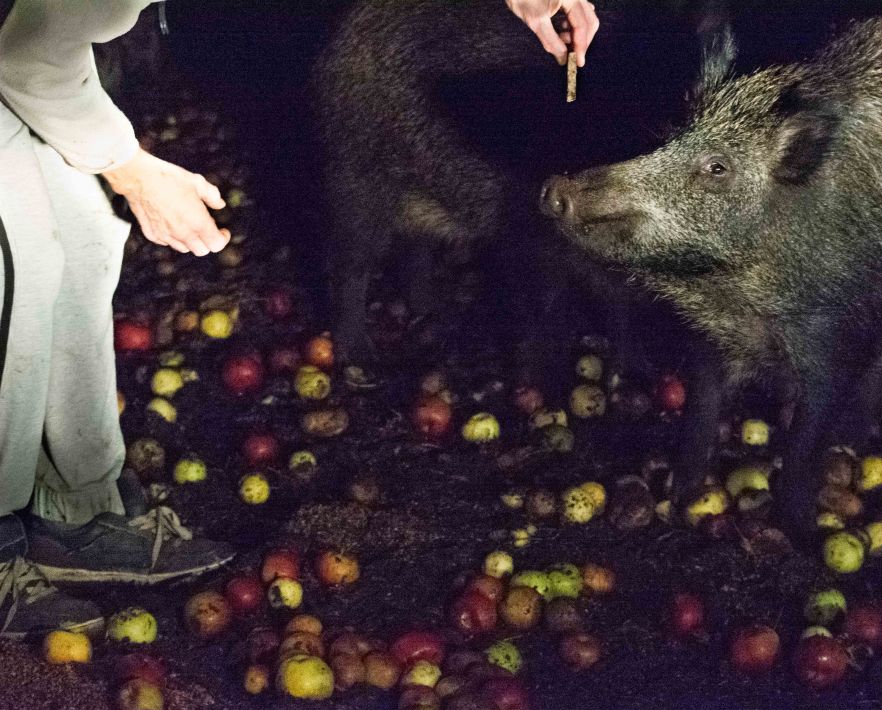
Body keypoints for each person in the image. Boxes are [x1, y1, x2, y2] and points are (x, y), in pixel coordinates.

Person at [0, 0, 599, 638]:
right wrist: (132, 172)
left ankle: (78, 513)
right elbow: (29, 58)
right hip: (21, 51)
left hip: (28, 46)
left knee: (86, 237)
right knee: (20, 266)